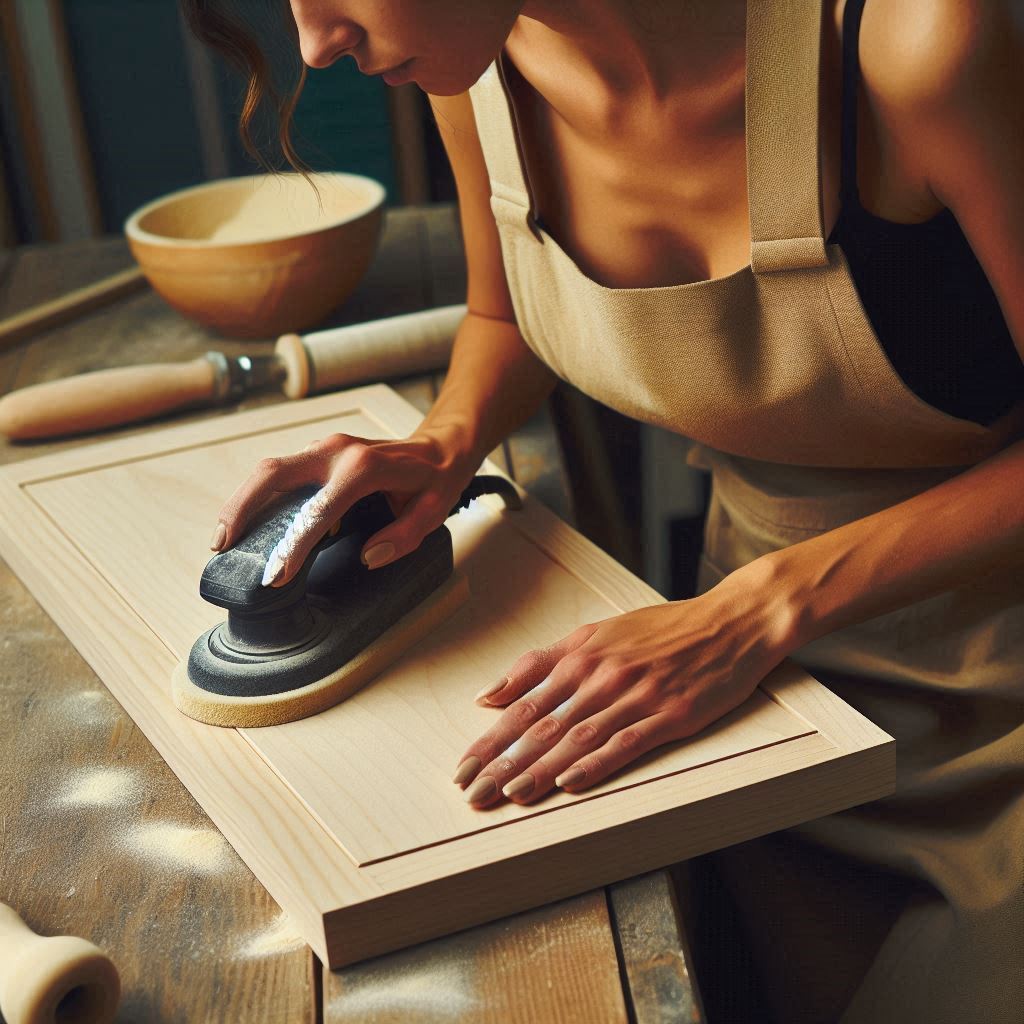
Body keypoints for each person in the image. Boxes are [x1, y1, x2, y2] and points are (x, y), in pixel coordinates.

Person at [185, 2, 1024, 1021]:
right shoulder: (470, 66)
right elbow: (507, 314)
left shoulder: (914, 45)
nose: (316, 43)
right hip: (758, 707)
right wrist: (445, 442)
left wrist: (763, 606)